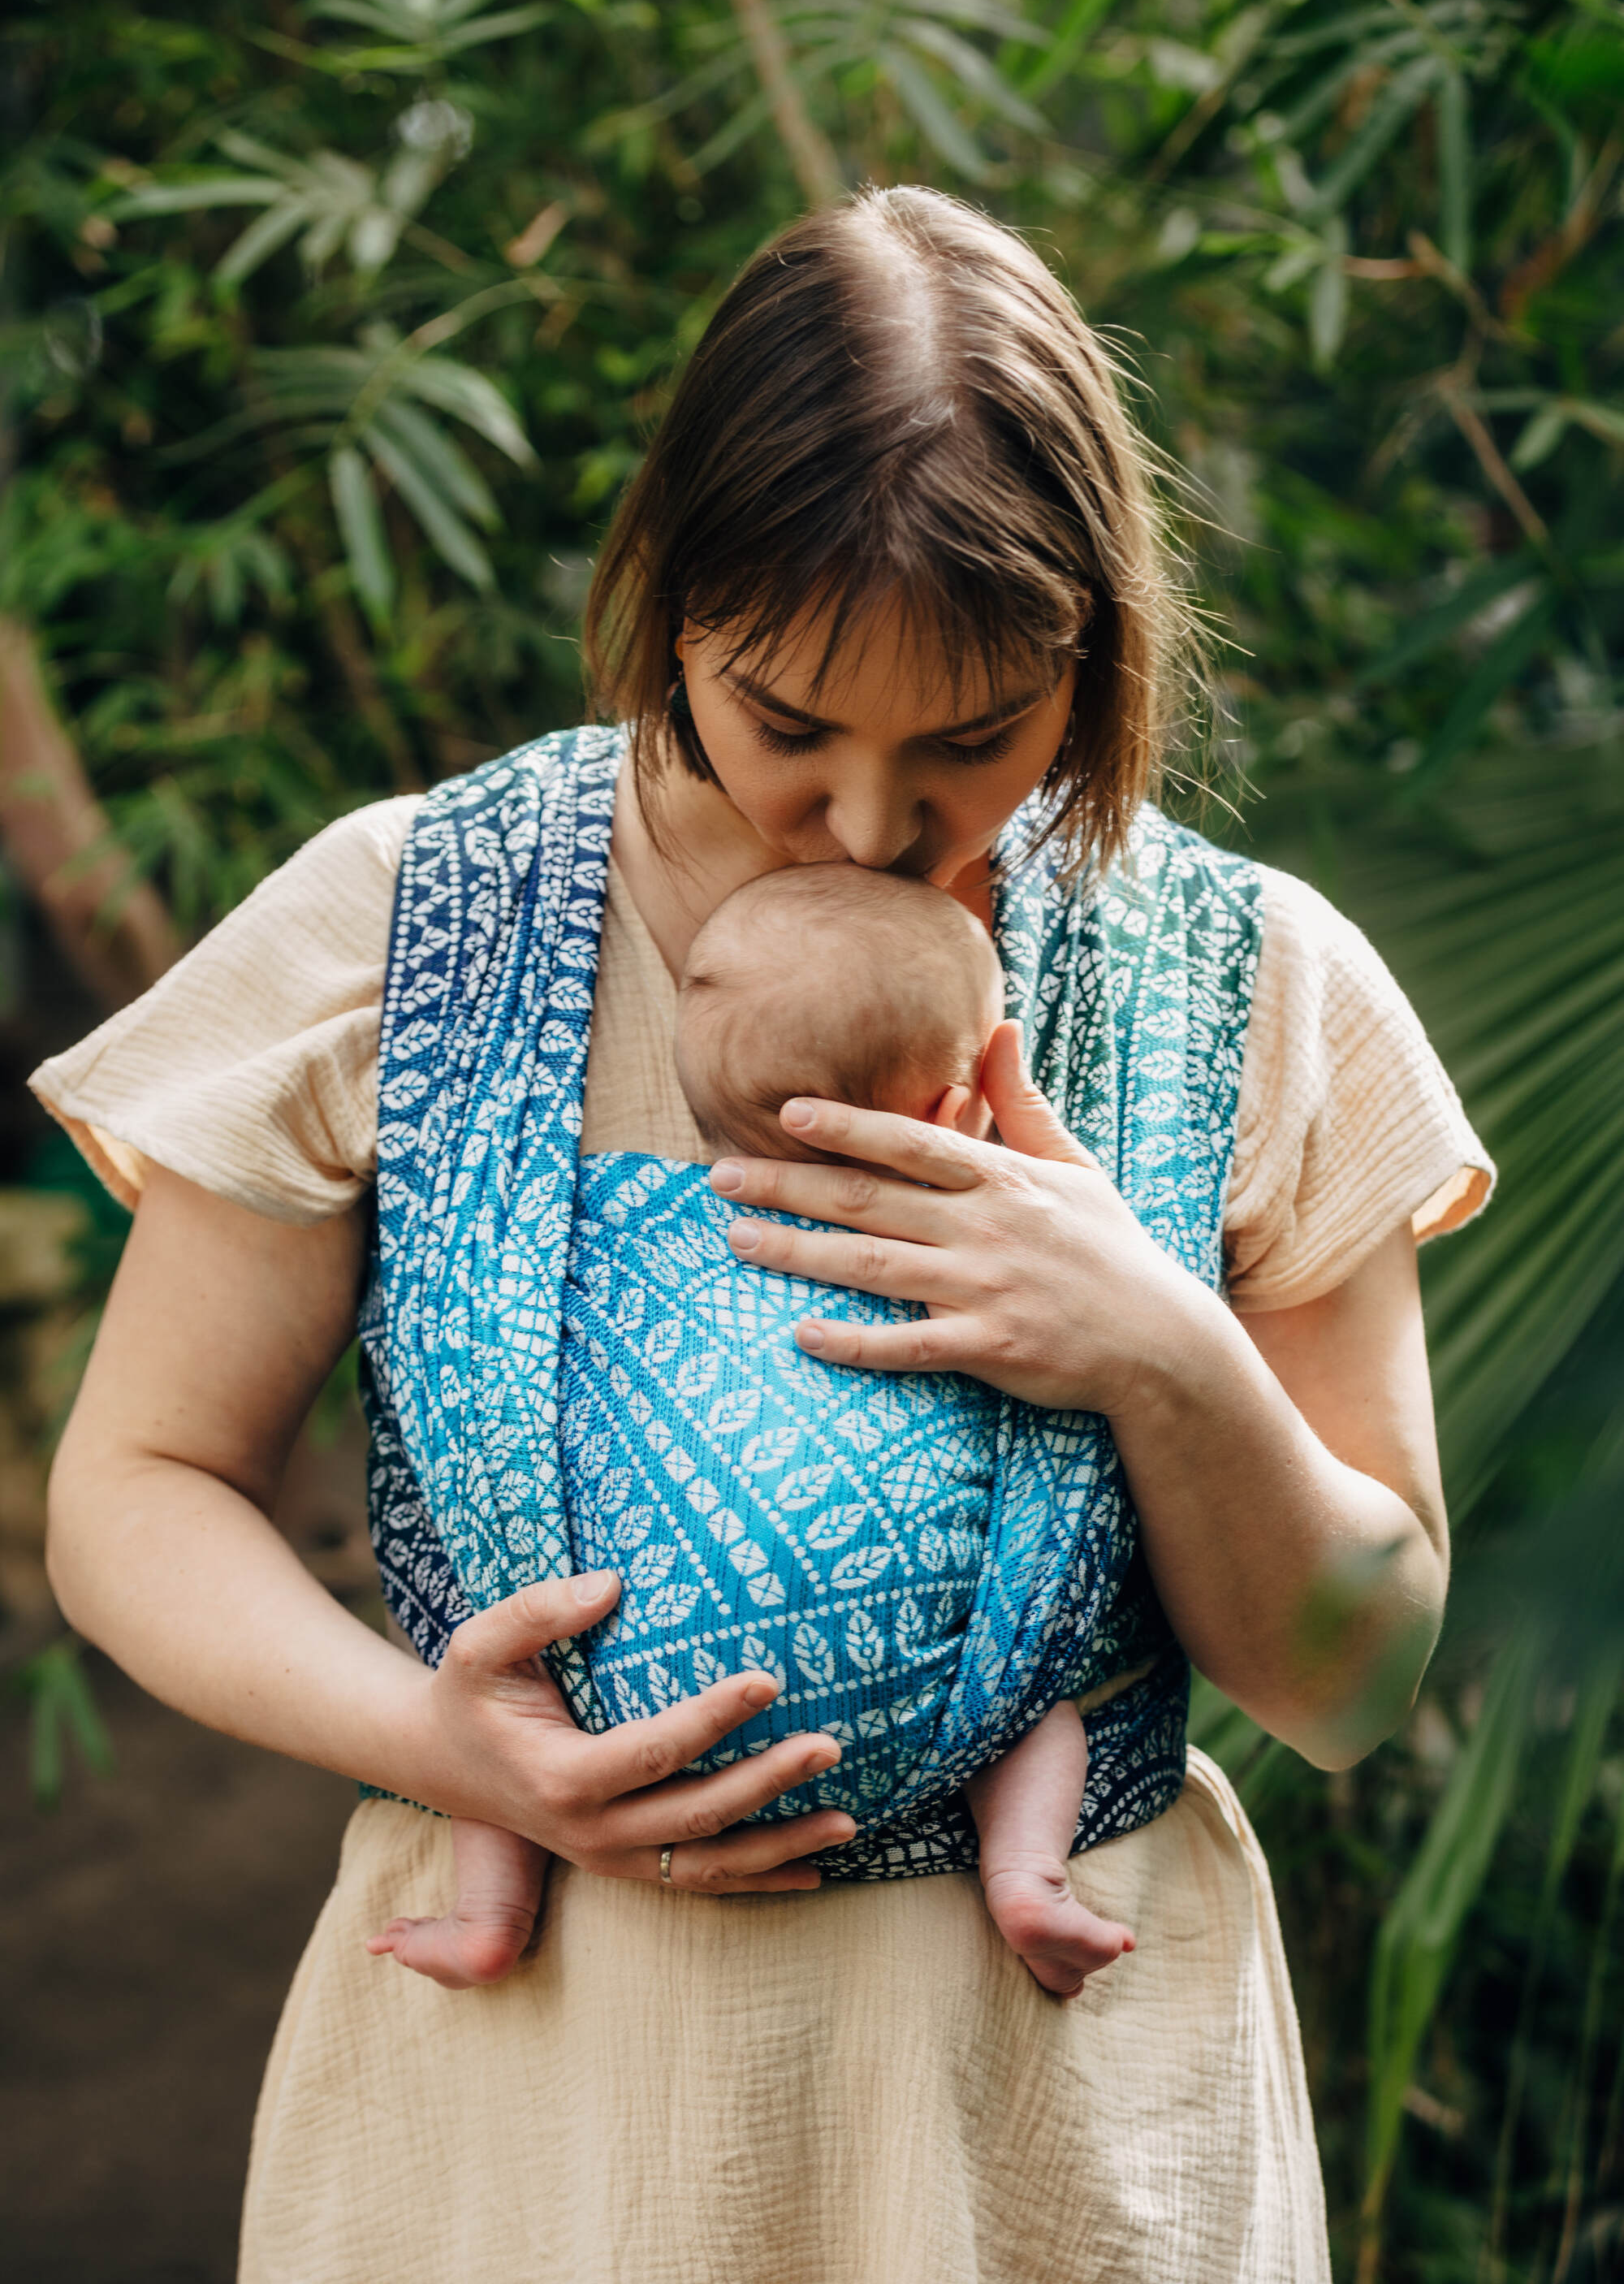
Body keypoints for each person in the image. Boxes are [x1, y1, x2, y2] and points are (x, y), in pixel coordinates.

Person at [34, 186, 1492, 2284]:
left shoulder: (1242, 981)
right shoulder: (408, 929)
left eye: (976, 739)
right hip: (537, 2129)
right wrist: (439, 1745)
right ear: (670, 600)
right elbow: (130, 1493)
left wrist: (1156, 1345)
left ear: (1093, 651)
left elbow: (1355, 1677)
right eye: (788, 724)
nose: (879, 821)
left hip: (1049, 2145)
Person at [365, 863, 1136, 2000]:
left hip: (620, 1712)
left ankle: (490, 1914)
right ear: (956, 1108)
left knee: (498, 1672)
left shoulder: (613, 1217)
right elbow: (1061, 1431)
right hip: (914, 1716)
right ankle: (1026, 1875)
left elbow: (485, 1359)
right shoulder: (987, 1263)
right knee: (1035, 1696)